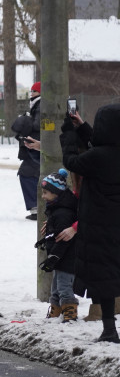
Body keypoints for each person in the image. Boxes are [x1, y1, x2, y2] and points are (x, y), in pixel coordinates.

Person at [60, 104, 120, 342]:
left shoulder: (97, 158)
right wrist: (84, 128)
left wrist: (69, 134)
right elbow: (104, 144)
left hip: (99, 226)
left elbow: (71, 161)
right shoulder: (107, 153)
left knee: (104, 278)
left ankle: (109, 329)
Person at [36, 169, 79, 323]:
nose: (43, 196)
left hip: (67, 258)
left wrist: (53, 257)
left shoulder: (63, 213)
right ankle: (55, 310)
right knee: (56, 287)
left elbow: (62, 239)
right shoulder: (57, 210)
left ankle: (70, 312)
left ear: (57, 193)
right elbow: (55, 233)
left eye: (46, 192)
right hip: (61, 258)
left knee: (64, 287)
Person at [11, 82, 42, 220]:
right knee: (30, 174)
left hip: (38, 147)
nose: (31, 93)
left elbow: (38, 124)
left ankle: (37, 208)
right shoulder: (37, 105)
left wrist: (25, 119)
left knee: (27, 173)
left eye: (34, 91)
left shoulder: (40, 105)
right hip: (36, 146)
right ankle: (38, 207)